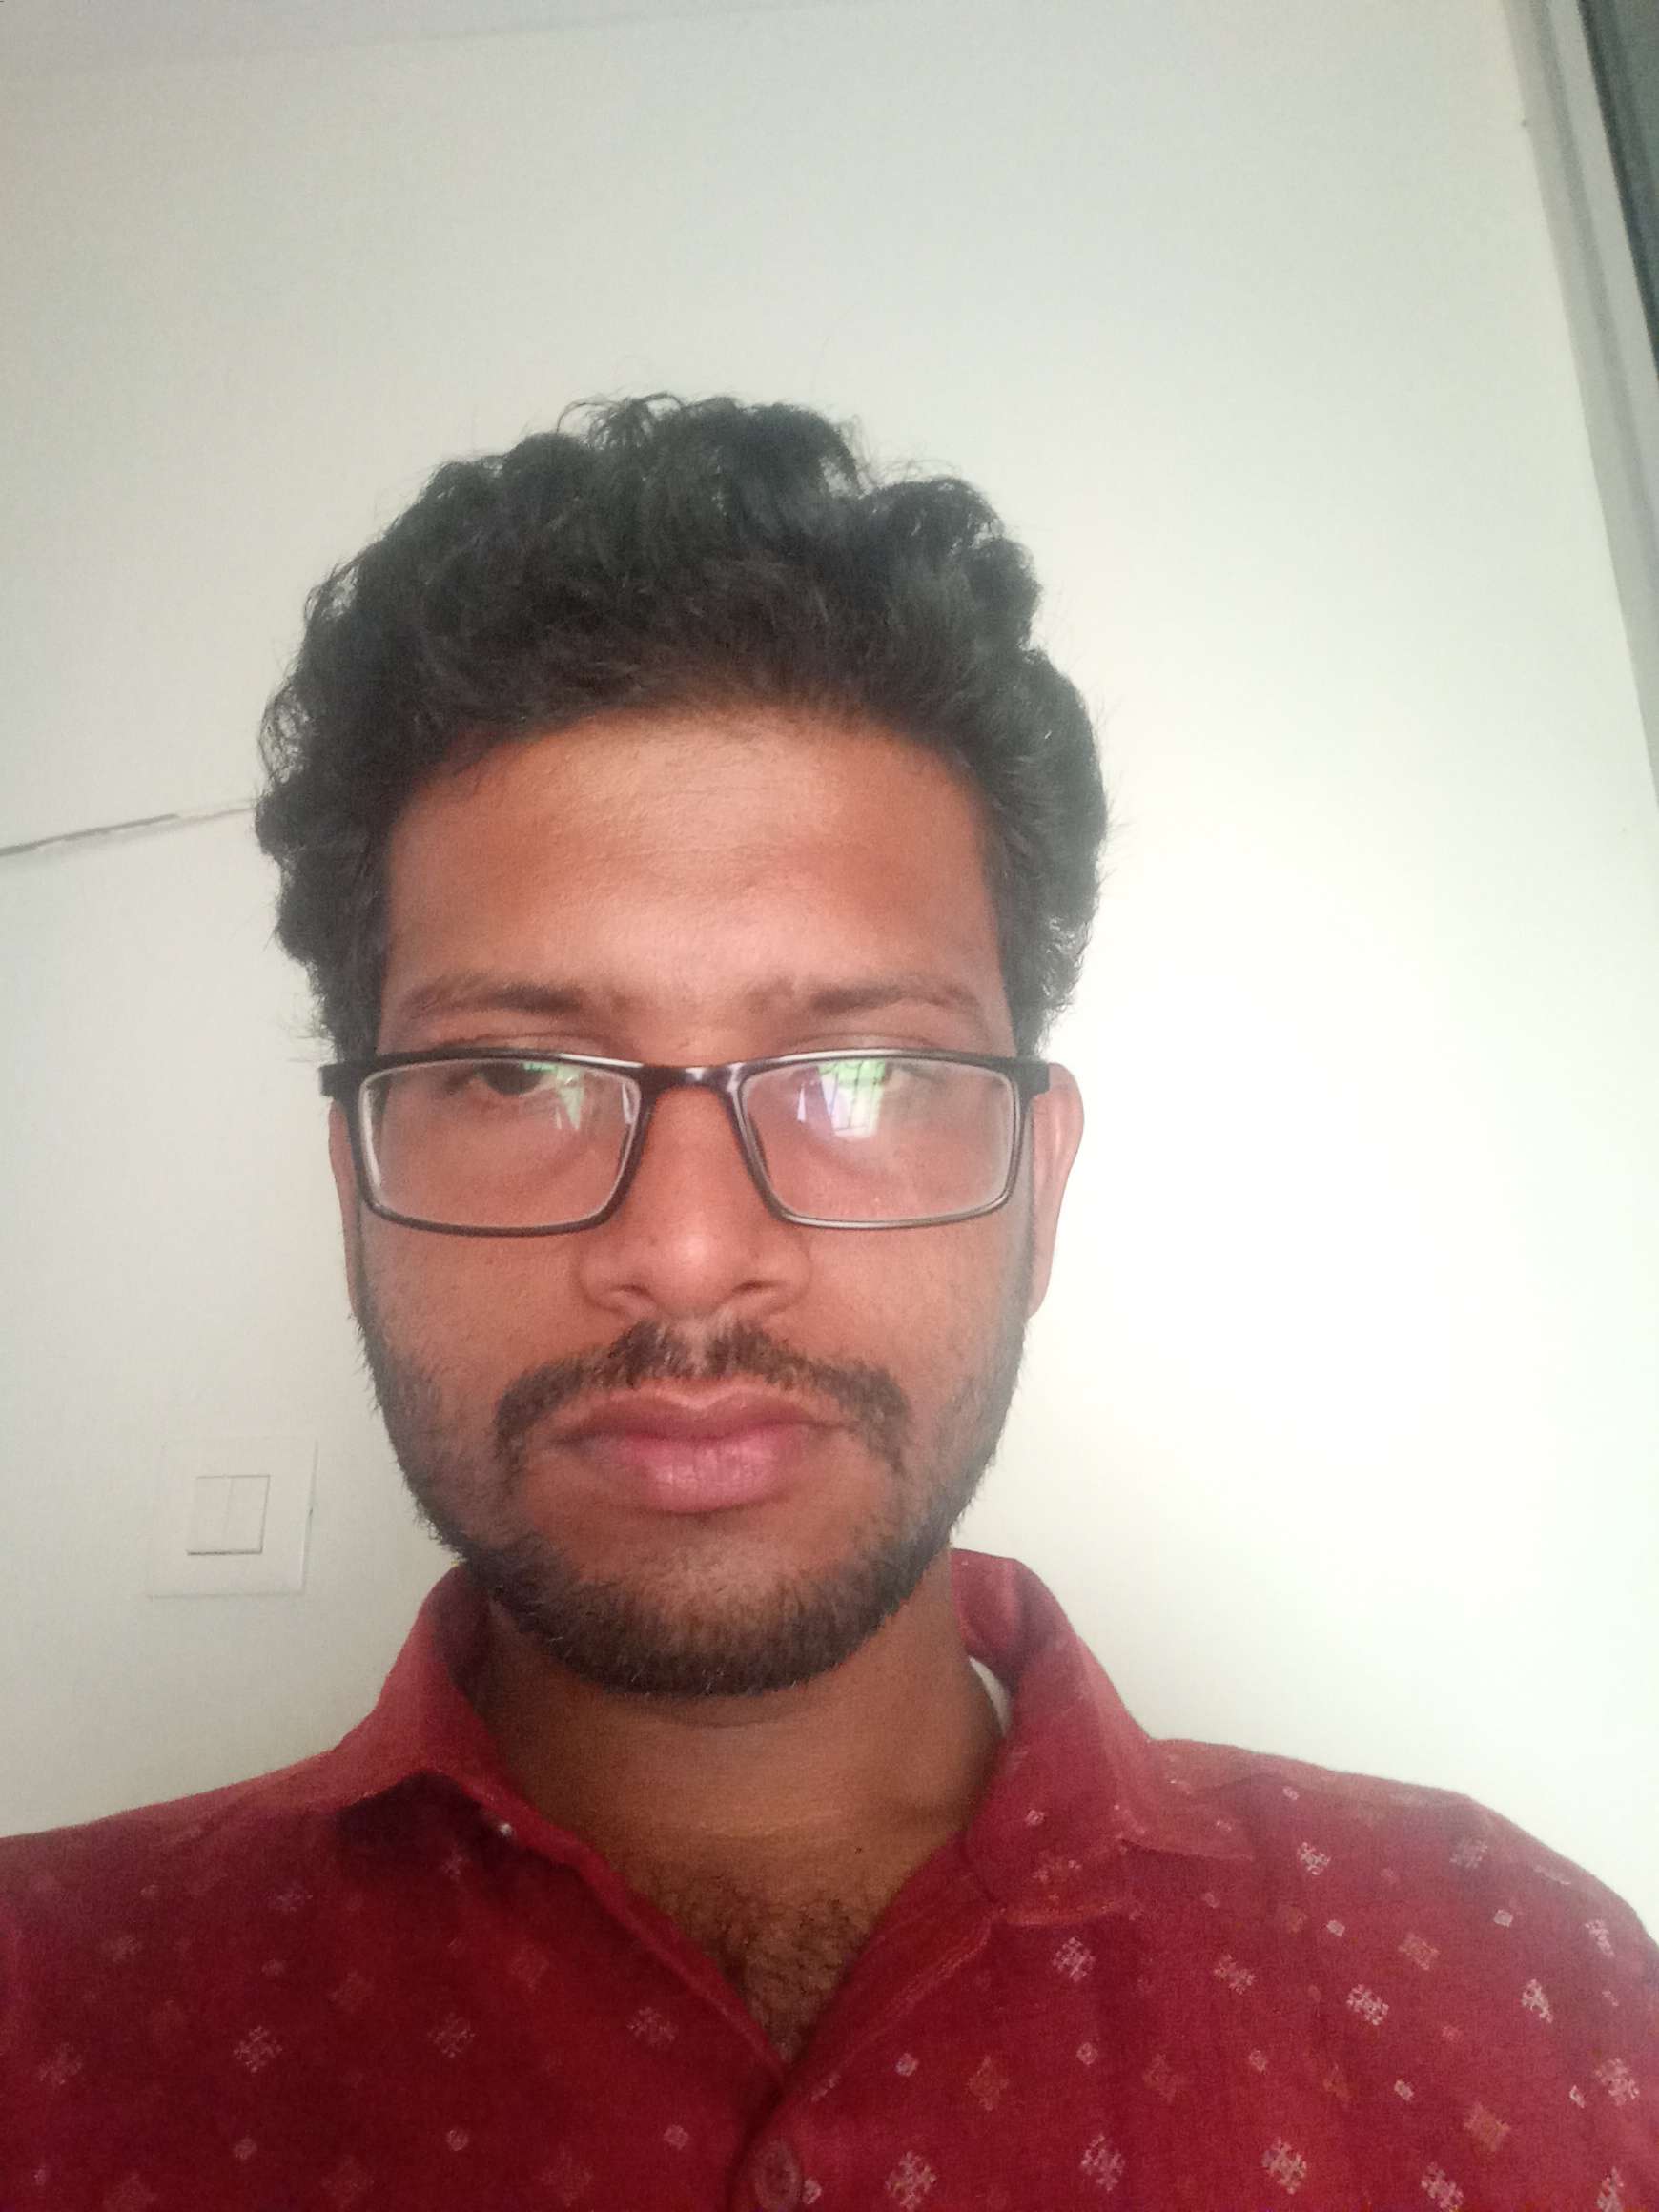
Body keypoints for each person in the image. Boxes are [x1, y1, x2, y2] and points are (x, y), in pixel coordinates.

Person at [2, 397, 1653, 2210]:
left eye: (863, 1074)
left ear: (1040, 1189)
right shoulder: (49, 2018)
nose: (688, 1253)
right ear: (355, 1192)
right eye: (517, 1075)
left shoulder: (1528, 1995)